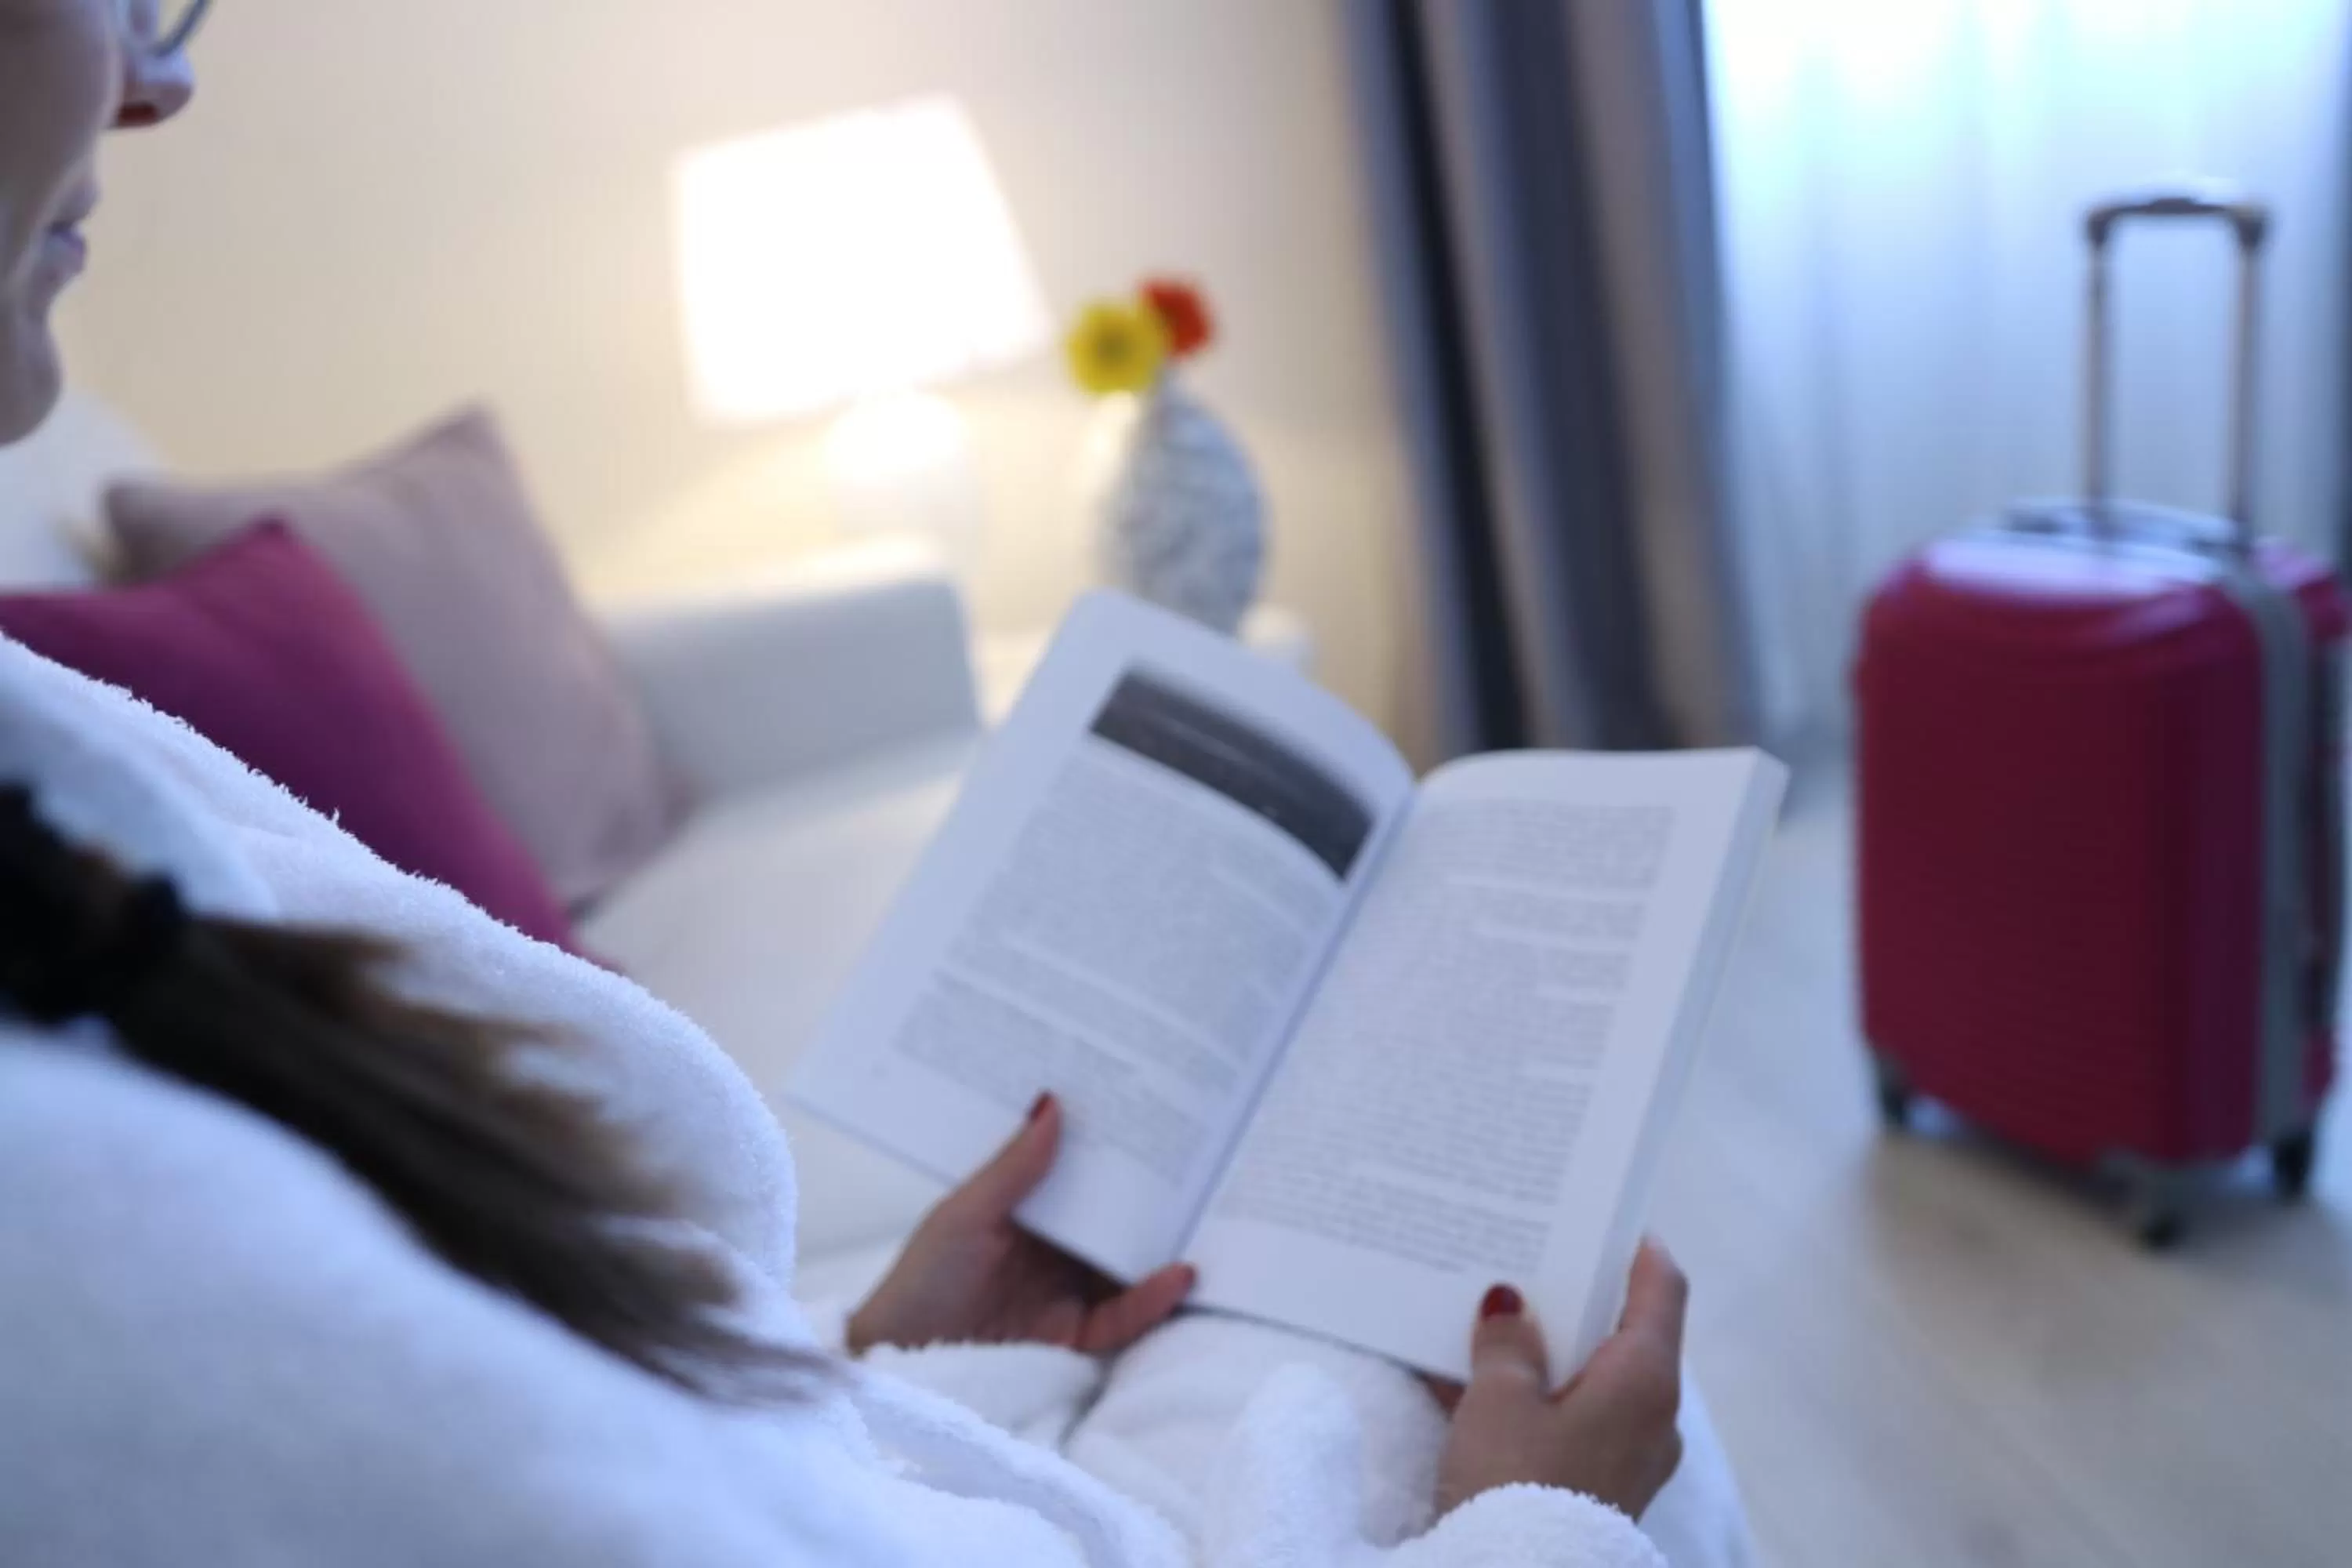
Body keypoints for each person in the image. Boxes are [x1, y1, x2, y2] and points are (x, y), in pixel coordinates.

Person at [0, 4, 1754, 1564]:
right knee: (1571, 1421)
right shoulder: (68, 1216)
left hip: (848, 1421)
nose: (160, 82)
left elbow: (541, 1429)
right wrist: (1544, 1532)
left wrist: (887, 1356)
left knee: (1444, 1348)